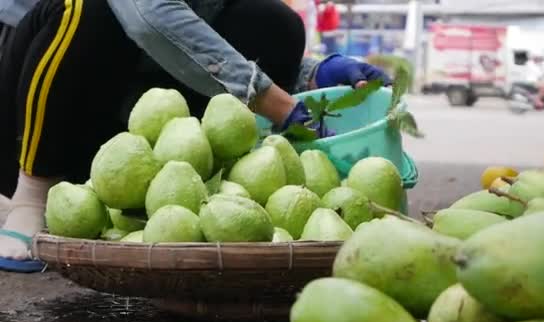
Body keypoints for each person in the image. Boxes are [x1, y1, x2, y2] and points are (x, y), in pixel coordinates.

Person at [0, 0, 391, 272]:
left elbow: (201, 29)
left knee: (274, 21)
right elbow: (149, 17)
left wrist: (309, 75)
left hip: (121, 128)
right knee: (89, 7)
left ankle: (164, 194)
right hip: (28, 111)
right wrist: (280, 105)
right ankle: (32, 194)